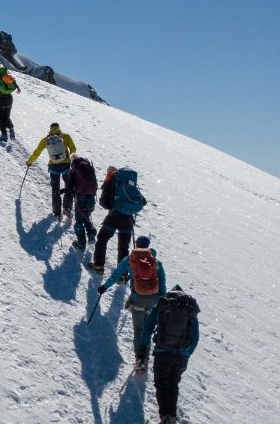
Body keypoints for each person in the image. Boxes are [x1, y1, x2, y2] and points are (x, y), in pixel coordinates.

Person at [97, 236, 166, 369]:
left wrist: (104, 287)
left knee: (138, 329)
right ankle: (144, 358)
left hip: (138, 298)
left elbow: (116, 275)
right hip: (153, 300)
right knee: (147, 328)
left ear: (136, 244)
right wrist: (162, 299)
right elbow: (162, 283)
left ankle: (140, 360)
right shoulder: (156, 262)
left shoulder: (130, 260)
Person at [142, 286, 200, 423]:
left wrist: (143, 347)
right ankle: (171, 416)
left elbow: (148, 327)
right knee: (173, 384)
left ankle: (165, 416)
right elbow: (195, 337)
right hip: (182, 355)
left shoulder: (163, 304)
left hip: (162, 352)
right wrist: (188, 353)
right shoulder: (189, 308)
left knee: (162, 384)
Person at [88, 166, 148, 273]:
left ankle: (98, 266)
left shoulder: (111, 181)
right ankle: (122, 274)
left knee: (102, 239)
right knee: (123, 247)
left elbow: (103, 203)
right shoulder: (128, 183)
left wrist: (114, 204)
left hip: (113, 217)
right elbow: (143, 201)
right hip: (128, 220)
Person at [25, 123, 78, 218]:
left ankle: (57, 212)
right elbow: (73, 148)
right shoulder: (66, 136)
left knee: (55, 189)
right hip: (66, 165)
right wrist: (72, 158)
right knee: (69, 187)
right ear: (58, 128)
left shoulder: (46, 140)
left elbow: (37, 152)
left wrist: (29, 161)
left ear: (50, 129)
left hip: (53, 167)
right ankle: (67, 208)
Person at [68, 156, 100, 250]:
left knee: (79, 222)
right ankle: (91, 234)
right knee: (86, 217)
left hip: (81, 197)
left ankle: (81, 243)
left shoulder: (75, 169)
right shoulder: (88, 167)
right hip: (91, 198)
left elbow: (70, 185)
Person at [0, 65, 19, 141]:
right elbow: (14, 84)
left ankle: (4, 135)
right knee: (6, 116)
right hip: (10, 98)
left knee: (1, 118)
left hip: (1, 99)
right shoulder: (7, 76)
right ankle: (11, 128)